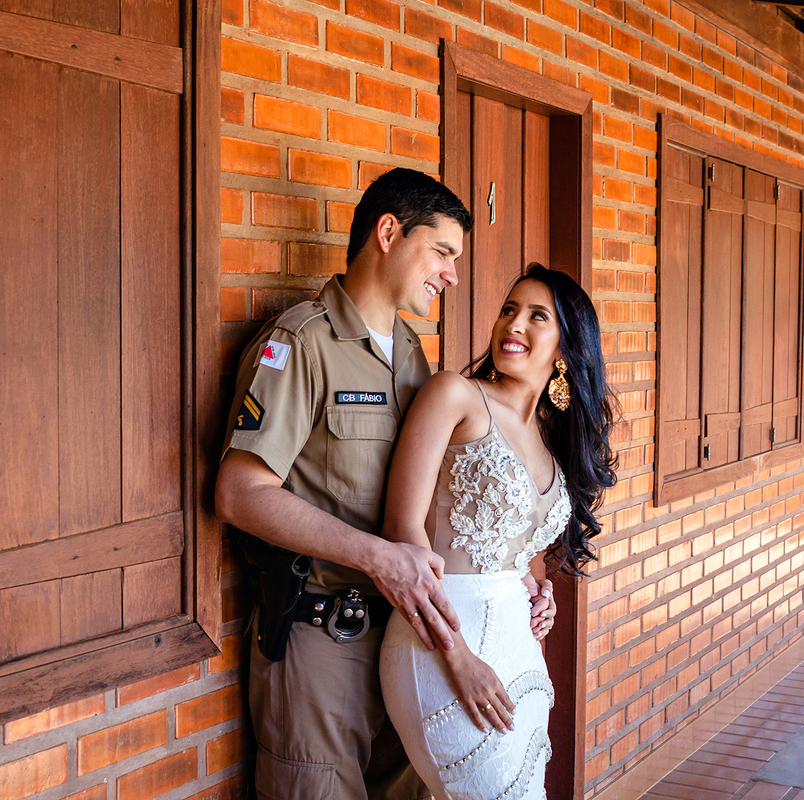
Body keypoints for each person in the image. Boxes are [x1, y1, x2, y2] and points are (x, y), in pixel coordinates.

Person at [215, 168, 553, 800]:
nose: (453, 274)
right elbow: (240, 493)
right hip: (323, 644)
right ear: (390, 232)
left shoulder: (409, 353)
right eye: (444, 252)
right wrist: (378, 557)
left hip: (408, 646)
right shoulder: (302, 342)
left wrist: (522, 584)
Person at [378, 264, 616, 800]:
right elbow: (401, 528)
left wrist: (539, 589)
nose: (514, 323)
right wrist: (457, 657)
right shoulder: (455, 396)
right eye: (509, 309)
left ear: (566, 349)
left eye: (537, 316)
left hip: (517, 655)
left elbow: (522, 550)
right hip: (441, 643)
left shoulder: (549, 439)